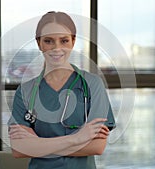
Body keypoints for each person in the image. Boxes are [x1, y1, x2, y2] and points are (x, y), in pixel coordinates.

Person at [8, 11, 116, 169]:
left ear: (73, 42)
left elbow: (97, 146)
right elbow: (19, 149)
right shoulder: (25, 91)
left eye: (64, 40)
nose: (56, 48)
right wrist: (78, 138)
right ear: (39, 44)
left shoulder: (93, 84)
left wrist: (38, 144)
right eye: (49, 41)